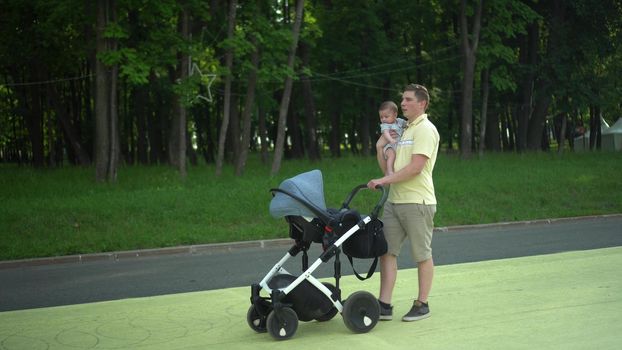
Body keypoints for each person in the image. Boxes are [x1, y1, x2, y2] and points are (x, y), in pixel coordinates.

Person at [367, 83, 440, 322]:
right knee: (386, 252)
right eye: (403, 99)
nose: (403, 103)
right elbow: (389, 165)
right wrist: (380, 148)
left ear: (422, 103)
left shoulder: (425, 130)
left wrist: (385, 179)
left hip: (417, 202)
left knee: (421, 255)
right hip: (395, 202)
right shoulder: (404, 129)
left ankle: (422, 303)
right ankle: (384, 305)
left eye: (408, 100)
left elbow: (416, 168)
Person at [375, 101, 407, 175]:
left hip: (397, 144)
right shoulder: (385, 125)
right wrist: (391, 140)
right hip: (389, 145)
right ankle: (389, 171)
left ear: (395, 115)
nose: (383, 119)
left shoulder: (399, 121)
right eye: (381, 117)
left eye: (386, 117)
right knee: (391, 155)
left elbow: (406, 124)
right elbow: (385, 133)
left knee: (396, 157)